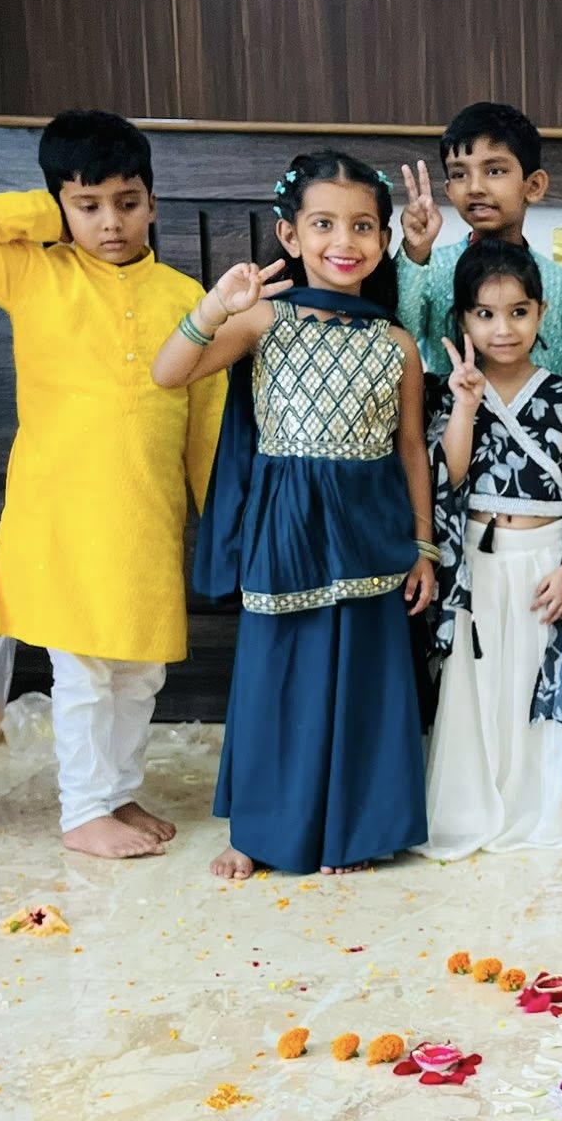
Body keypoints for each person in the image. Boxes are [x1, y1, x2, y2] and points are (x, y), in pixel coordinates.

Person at [0, 109, 225, 859]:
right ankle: (83, 811)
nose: (110, 222)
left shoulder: (185, 296)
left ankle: (116, 794)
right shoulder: (34, 272)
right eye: (88, 205)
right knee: (83, 672)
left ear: (153, 203)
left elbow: (206, 418)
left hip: (145, 515)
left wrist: (217, 516)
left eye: (126, 202)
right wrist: (46, 215)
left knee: (139, 672)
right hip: (62, 515)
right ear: (60, 207)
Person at [154, 151, 432, 879]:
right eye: (324, 224)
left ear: (385, 240)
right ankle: (258, 831)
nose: (345, 241)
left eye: (364, 226)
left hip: (371, 530)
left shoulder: (396, 343)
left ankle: (354, 832)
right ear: (290, 235)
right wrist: (215, 307)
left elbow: (410, 450)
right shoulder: (262, 320)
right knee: (276, 679)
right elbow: (169, 373)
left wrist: (425, 549)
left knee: (364, 681)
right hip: (285, 526)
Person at [422, 239, 562, 857]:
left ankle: (546, 808)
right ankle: (473, 809)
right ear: (462, 319)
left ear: (540, 313)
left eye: (518, 312)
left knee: (541, 677)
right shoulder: (450, 392)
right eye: (484, 314)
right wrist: (464, 404)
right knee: (479, 684)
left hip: (546, 561)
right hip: (479, 561)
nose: (502, 329)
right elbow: (447, 479)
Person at [394, 102, 562, 386]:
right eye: (459, 174)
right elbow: (396, 345)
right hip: (449, 414)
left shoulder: (561, 283)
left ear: (534, 186)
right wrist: (415, 252)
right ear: (449, 190)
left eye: (494, 171)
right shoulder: (431, 269)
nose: (475, 187)